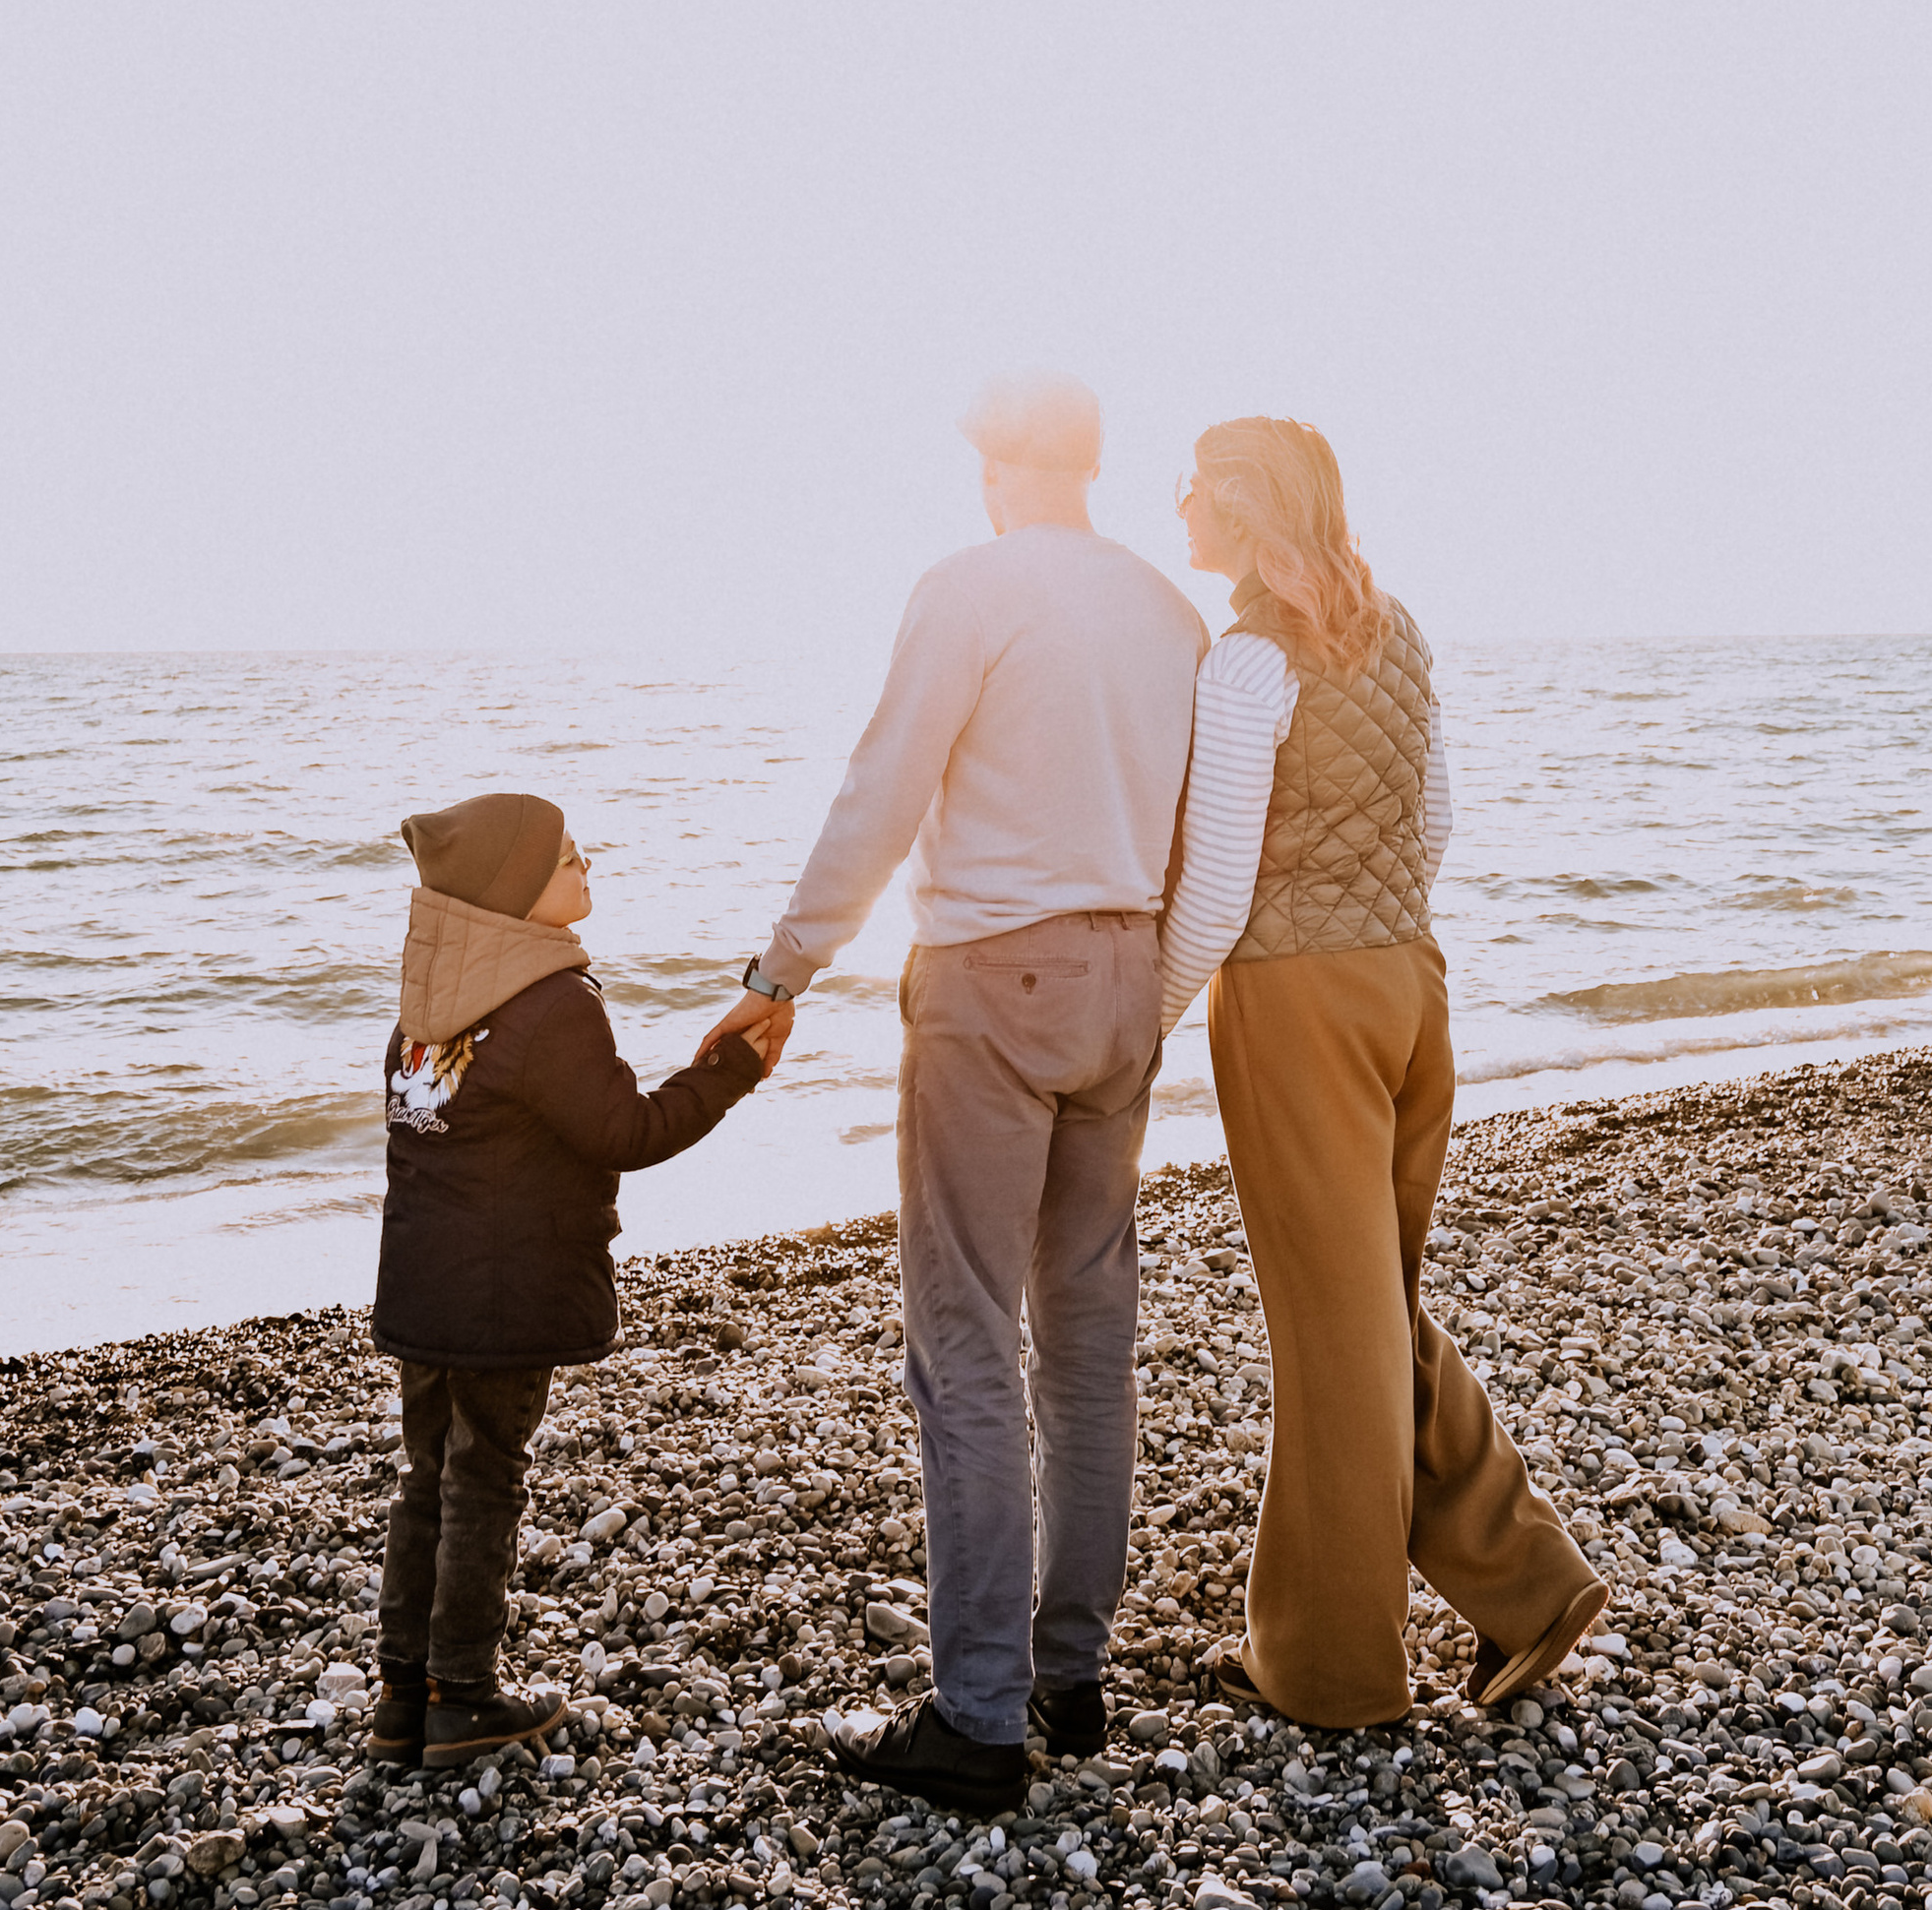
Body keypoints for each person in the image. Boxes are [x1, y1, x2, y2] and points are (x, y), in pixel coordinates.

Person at [700, 370, 1207, 1813]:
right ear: (1093, 465)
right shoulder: (1168, 610)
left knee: (967, 1333)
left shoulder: (973, 585)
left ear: (992, 465)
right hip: (1129, 974)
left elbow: (886, 787)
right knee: (1089, 1331)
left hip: (998, 976)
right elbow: (1196, 817)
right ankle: (1070, 1671)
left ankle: (979, 1715)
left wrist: (784, 967)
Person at [1162, 419, 1607, 1729]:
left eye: (1195, 482)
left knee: (1335, 1332)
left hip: (1296, 1001)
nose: (1175, 500)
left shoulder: (1246, 666)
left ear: (1242, 513)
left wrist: (1133, 1029)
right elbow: (1440, 816)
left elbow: (1215, 893)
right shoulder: (1394, 627)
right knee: (1371, 1313)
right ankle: (1527, 1582)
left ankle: (1334, 1672)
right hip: (1410, 986)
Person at [371, 786, 770, 1769]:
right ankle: (462, 1693)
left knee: (431, 1472)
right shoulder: (550, 1005)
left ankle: (402, 1696)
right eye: (565, 857)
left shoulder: (429, 1008)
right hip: (505, 1289)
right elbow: (625, 1131)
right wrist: (728, 1071)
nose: (585, 865)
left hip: (424, 1279)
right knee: (484, 1475)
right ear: (514, 891)